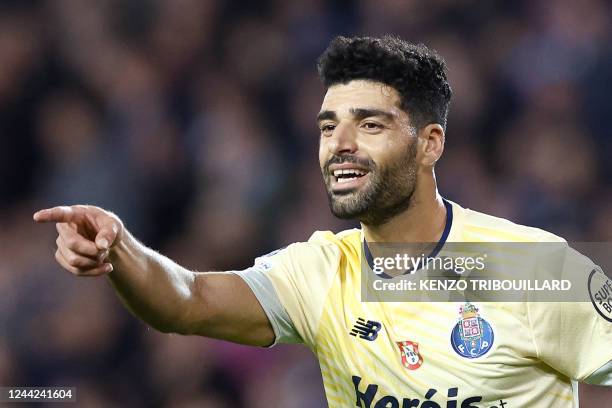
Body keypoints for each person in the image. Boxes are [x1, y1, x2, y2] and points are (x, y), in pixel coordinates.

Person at [34, 36, 611, 407]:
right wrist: (119, 249)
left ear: (430, 143)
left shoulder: (530, 266)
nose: (340, 144)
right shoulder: (321, 270)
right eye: (327, 125)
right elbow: (186, 301)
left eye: (370, 125)